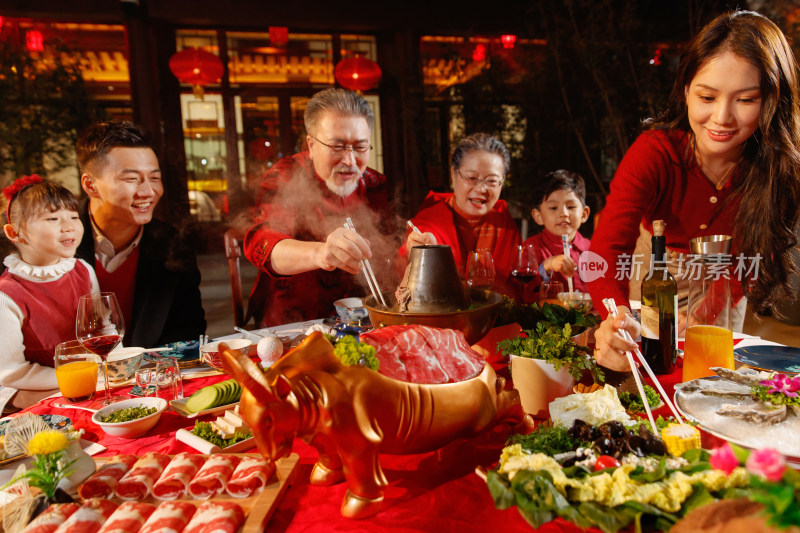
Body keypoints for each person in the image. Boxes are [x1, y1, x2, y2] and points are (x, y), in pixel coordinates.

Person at [588, 10, 800, 372]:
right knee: (653, 369)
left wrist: (707, 310)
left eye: (746, 100)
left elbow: (749, 255)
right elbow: (605, 253)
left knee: (711, 376)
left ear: (771, 101)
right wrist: (618, 316)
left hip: (726, 273)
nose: (722, 118)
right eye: (707, 97)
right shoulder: (656, 152)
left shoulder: (779, 167)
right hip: (654, 270)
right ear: (686, 92)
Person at [243, 88, 398, 326]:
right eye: (337, 147)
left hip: (369, 320)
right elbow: (263, 242)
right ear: (312, 145)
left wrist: (412, 250)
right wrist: (322, 253)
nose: (350, 161)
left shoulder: (375, 184)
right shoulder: (284, 177)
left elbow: (392, 246)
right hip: (298, 325)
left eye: (360, 147)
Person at [76, 121, 206, 348]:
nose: (148, 192)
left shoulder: (173, 243)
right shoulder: (47, 238)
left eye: (154, 178)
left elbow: (188, 330)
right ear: (90, 185)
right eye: (131, 179)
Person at [0, 176, 100, 412]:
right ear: (14, 233)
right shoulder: (7, 294)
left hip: (96, 383)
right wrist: (85, 375)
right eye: (53, 218)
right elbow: (12, 372)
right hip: (44, 398)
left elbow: (102, 330)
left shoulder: (82, 270)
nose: (69, 226)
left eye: (74, 217)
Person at [401, 133, 521, 298]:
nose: (481, 189)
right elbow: (400, 282)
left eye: (492, 181)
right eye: (472, 178)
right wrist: (414, 255)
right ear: (453, 175)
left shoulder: (504, 224)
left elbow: (522, 288)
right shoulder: (427, 224)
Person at [523, 170, 591, 295]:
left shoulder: (593, 249)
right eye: (553, 208)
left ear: (584, 214)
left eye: (571, 207)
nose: (564, 213)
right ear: (538, 216)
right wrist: (546, 267)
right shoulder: (529, 249)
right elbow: (523, 294)